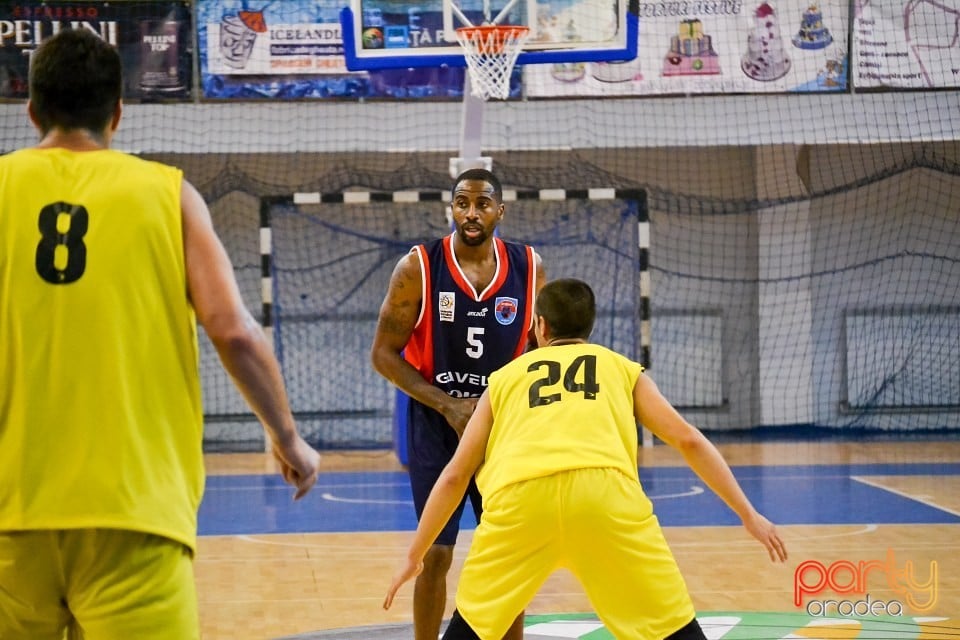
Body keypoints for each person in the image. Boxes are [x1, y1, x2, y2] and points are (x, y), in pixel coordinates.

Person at [0, 29, 320, 640]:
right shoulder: (168, 195)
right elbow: (234, 331)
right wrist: (287, 438)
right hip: (135, 512)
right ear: (119, 112)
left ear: (32, 111)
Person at [383, 278, 788, 640]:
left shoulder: (504, 379)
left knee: (469, 629)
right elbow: (688, 440)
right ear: (589, 328)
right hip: (606, 500)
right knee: (674, 630)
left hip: (520, 505)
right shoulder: (622, 369)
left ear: (539, 326)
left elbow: (455, 475)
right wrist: (748, 513)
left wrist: (413, 555)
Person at [371, 168, 546, 640]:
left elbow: (538, 352)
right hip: (435, 426)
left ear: (500, 210)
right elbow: (383, 355)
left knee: (507, 553)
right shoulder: (419, 267)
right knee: (436, 555)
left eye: (482, 203)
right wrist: (447, 405)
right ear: (451, 208)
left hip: (500, 429)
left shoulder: (530, 267)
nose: (471, 213)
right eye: (462, 203)